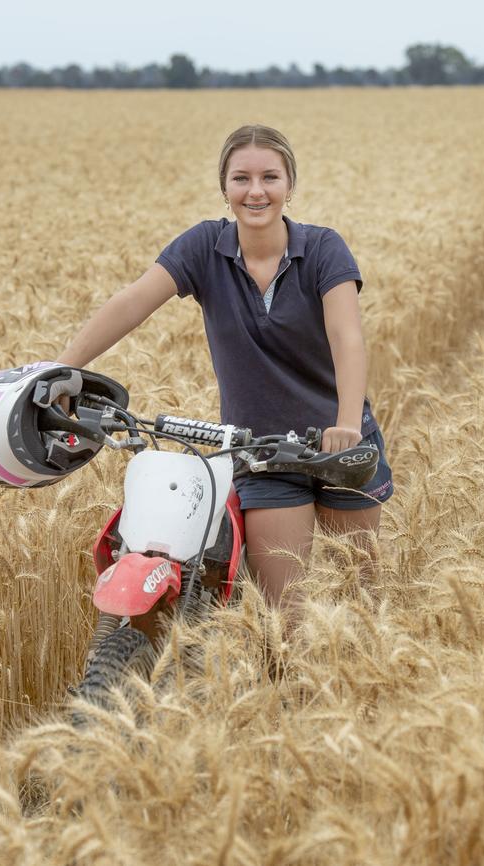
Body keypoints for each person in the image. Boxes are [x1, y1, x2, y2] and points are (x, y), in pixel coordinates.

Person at [56, 124, 393, 610]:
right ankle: (294, 687)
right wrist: (60, 369)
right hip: (262, 452)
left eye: (270, 178)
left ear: (289, 187)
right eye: (242, 179)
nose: (256, 191)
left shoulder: (323, 249)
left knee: (362, 601)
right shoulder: (203, 248)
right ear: (225, 188)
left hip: (340, 442)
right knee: (287, 618)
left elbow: (347, 337)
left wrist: (345, 425)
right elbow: (132, 302)